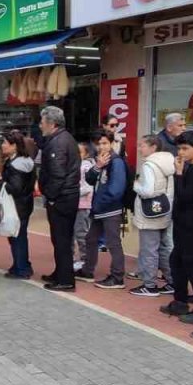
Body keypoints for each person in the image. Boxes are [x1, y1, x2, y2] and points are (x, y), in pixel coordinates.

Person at [161, 131, 193, 320]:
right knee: (177, 261)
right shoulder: (191, 166)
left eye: (185, 148)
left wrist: (178, 173)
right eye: (179, 148)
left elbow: (185, 196)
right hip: (183, 220)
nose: (181, 152)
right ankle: (180, 300)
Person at [37, 106, 80, 291]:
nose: (40, 126)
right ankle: (61, 272)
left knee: (62, 239)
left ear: (52, 123)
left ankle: (66, 280)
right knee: (60, 239)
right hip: (66, 195)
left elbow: (57, 174)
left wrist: (51, 196)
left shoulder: (57, 143)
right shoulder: (62, 138)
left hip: (62, 197)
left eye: (43, 122)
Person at [80, 129, 128, 289]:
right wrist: (98, 166)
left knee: (113, 243)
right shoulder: (100, 161)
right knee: (91, 239)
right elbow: (90, 179)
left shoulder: (116, 162)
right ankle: (87, 270)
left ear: (112, 143)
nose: (101, 147)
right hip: (99, 209)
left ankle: (117, 277)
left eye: (105, 143)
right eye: (98, 143)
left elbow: (116, 189)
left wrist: (100, 204)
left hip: (110, 209)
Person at [130, 135, 176, 297]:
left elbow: (148, 191)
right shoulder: (169, 162)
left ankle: (149, 285)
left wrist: (136, 186)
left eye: (142, 145)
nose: (139, 148)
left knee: (149, 249)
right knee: (165, 248)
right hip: (166, 209)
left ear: (153, 147)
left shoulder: (149, 165)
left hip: (150, 213)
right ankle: (172, 281)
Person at [0, 130, 37, 280]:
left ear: (14, 146)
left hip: (17, 206)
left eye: (5, 143)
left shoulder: (16, 164)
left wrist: (0, 183)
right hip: (24, 204)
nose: (2, 146)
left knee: (17, 236)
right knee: (18, 236)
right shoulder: (24, 161)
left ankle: (22, 268)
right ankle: (21, 265)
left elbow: (15, 187)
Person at [72, 140, 95, 274]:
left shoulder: (85, 167)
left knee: (81, 233)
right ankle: (77, 259)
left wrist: (73, 192)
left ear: (85, 154)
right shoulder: (77, 165)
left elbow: (87, 187)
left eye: (78, 152)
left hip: (82, 204)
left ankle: (85, 261)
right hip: (76, 203)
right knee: (74, 232)